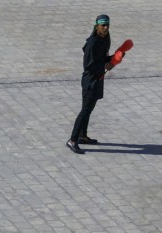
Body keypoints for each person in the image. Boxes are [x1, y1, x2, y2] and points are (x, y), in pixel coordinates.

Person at [67, 14, 113, 154]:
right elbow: (88, 65)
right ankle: (73, 140)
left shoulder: (105, 38)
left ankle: (82, 136)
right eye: (103, 25)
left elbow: (103, 57)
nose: (105, 28)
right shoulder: (92, 43)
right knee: (85, 110)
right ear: (96, 26)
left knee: (90, 108)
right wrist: (106, 65)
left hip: (98, 78)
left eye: (107, 25)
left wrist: (115, 57)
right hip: (90, 80)